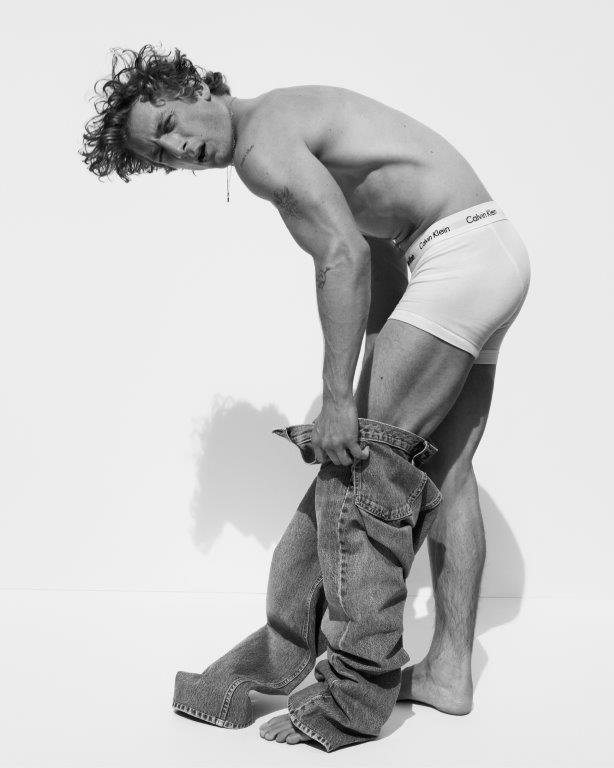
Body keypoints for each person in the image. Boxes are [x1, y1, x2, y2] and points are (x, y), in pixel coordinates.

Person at [81, 45, 531, 751]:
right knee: (449, 472)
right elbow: (377, 247)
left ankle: (352, 698)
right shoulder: (289, 117)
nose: (181, 150)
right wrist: (366, 370)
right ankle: (449, 673)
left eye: (169, 123)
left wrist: (340, 401)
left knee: (365, 473)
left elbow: (341, 256)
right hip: (489, 251)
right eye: (162, 155)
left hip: (453, 259)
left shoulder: (261, 142)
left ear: (194, 86)